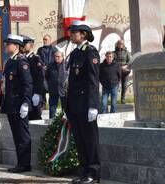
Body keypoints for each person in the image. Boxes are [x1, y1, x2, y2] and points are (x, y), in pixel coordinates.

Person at [66, 20, 100, 184]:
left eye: (74, 32)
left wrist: (93, 106)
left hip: (86, 105)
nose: (71, 35)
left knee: (90, 139)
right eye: (71, 32)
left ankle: (93, 173)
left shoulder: (90, 52)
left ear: (83, 34)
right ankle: (84, 171)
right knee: (79, 139)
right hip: (74, 105)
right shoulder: (74, 53)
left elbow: (93, 81)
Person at [1, 34, 33, 173]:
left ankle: (25, 164)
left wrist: (26, 103)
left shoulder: (22, 62)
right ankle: (20, 162)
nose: (6, 46)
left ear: (16, 46)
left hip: (20, 104)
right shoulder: (9, 62)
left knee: (22, 135)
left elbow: (28, 84)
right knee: (16, 135)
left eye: (8, 44)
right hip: (11, 104)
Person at [21, 35, 45, 120]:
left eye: (24, 44)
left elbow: (40, 77)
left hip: (33, 93)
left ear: (31, 45)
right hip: (25, 93)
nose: (22, 46)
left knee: (35, 117)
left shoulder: (36, 59)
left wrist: (37, 93)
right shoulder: (21, 59)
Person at [37, 34, 58, 107]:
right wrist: (42, 65)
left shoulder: (54, 49)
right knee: (42, 89)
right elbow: (38, 59)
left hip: (51, 73)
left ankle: (52, 106)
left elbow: (57, 60)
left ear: (50, 40)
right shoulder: (40, 49)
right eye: (43, 39)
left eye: (46, 39)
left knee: (52, 91)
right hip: (43, 72)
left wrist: (50, 67)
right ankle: (42, 105)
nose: (44, 41)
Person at [46, 51, 68, 118]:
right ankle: (51, 124)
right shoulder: (50, 65)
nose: (56, 58)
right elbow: (46, 76)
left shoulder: (67, 65)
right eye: (55, 56)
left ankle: (65, 125)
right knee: (52, 109)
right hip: (53, 90)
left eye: (58, 57)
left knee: (65, 110)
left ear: (62, 57)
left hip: (64, 90)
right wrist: (48, 86)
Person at [113, 40, 131, 104]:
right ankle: (114, 100)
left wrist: (125, 66)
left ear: (123, 45)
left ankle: (123, 99)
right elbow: (113, 61)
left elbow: (130, 61)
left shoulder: (127, 52)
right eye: (119, 44)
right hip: (116, 71)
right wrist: (118, 67)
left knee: (124, 85)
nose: (120, 45)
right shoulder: (114, 53)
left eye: (121, 44)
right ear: (117, 45)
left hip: (125, 71)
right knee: (116, 85)